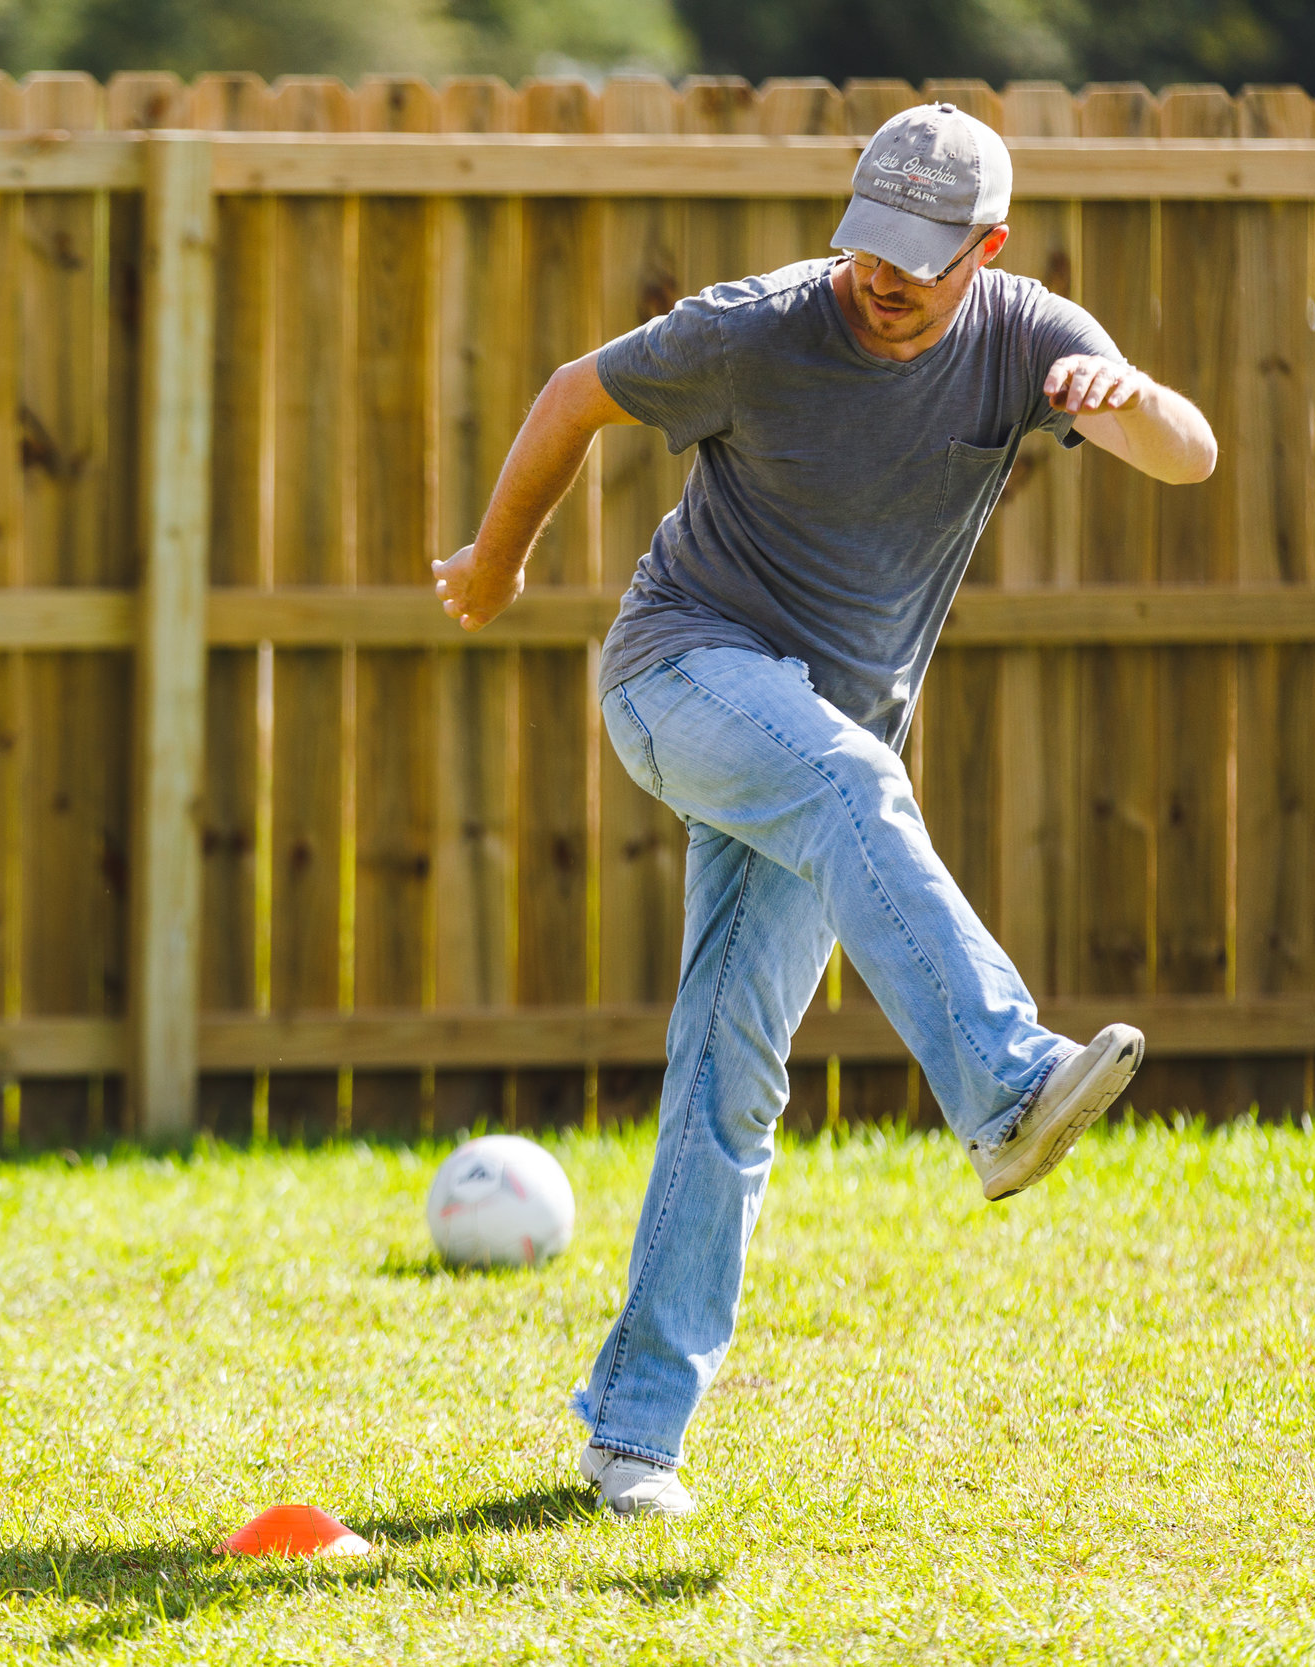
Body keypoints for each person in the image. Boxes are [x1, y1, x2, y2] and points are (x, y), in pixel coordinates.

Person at [431, 105, 1216, 1518]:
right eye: (868, 244)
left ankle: (633, 1433)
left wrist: (1126, 399)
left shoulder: (1032, 335)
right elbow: (568, 394)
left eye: (921, 256)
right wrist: (496, 567)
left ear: (988, 247)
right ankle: (1005, 1085)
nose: (884, 278)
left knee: (732, 1066)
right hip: (683, 677)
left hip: (821, 740)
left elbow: (1196, 455)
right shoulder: (759, 326)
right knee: (855, 777)